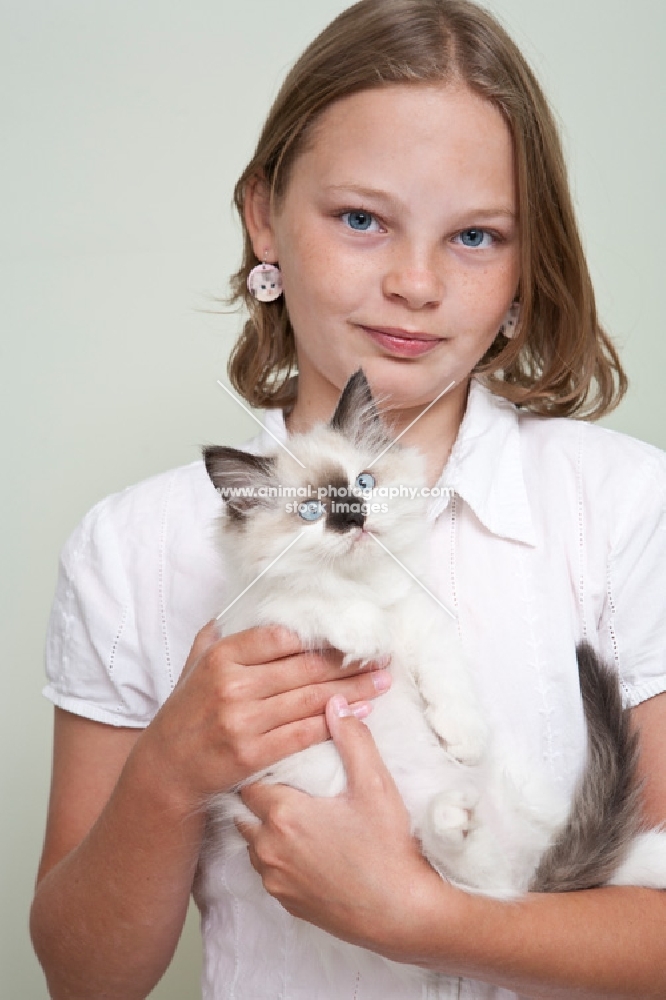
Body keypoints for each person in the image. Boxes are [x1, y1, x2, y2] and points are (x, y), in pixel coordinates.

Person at [30, 1, 666, 997]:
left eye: (475, 236)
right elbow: (81, 976)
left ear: (524, 257)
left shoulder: (627, 506)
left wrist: (429, 921)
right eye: (362, 219)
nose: (415, 283)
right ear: (262, 214)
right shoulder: (133, 548)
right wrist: (166, 774)